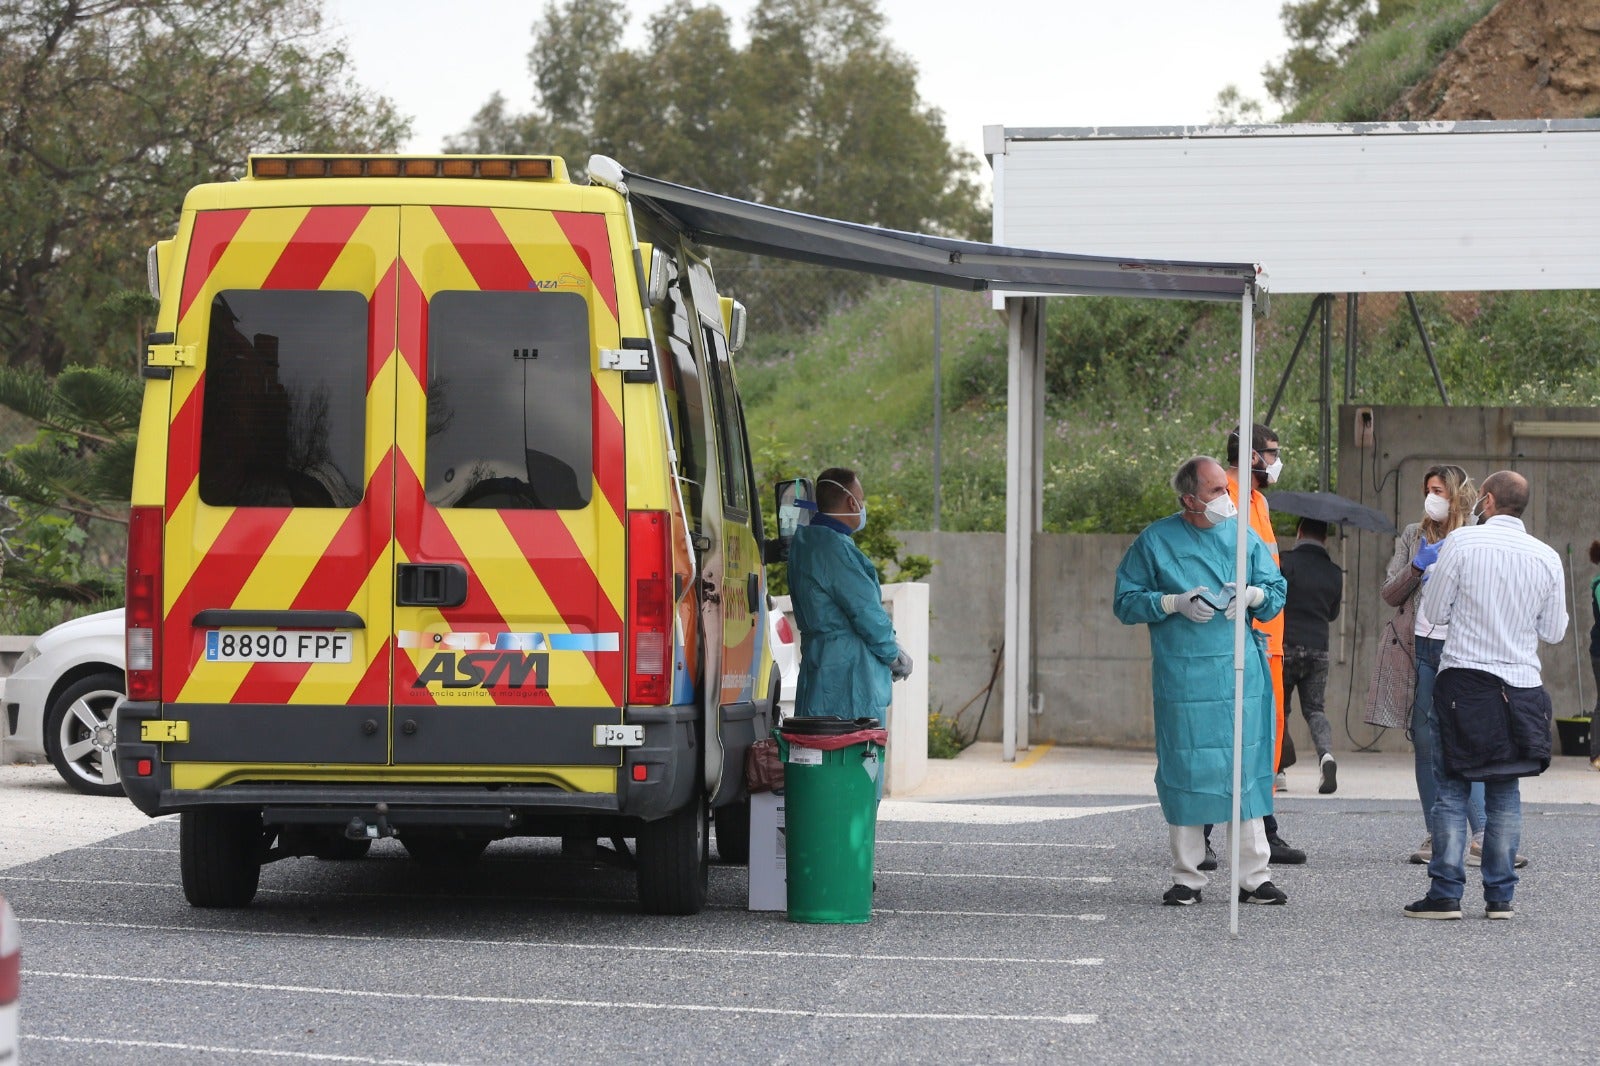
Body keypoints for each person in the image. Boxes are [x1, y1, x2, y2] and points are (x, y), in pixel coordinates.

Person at [1114, 455, 1289, 907]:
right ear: (1189, 498)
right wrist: (1171, 602)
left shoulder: (1242, 536)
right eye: (1215, 492)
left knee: (1245, 768)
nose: (1226, 499)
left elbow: (1275, 590)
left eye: (1226, 490)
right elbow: (1126, 601)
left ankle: (1255, 876)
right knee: (1187, 770)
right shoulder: (1156, 541)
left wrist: (1251, 595)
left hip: (1239, 673)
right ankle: (1187, 875)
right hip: (1185, 674)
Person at [1405, 471, 1566, 920]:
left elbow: (1434, 612)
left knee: (1452, 790)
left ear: (1489, 501)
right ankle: (1500, 898)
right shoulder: (1547, 557)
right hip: (1521, 686)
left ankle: (1446, 894)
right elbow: (1553, 631)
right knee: (1505, 791)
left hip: (1465, 682)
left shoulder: (1461, 545)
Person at [1367, 465, 1495, 866]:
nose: (1431, 496)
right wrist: (1417, 566)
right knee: (1424, 740)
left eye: (1438, 489)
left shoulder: (1479, 536)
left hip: (1464, 650)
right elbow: (1390, 592)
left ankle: (1483, 836)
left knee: (1463, 740)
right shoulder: (1413, 534)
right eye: (1428, 489)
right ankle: (1437, 834)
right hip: (1419, 647)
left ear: (1457, 494)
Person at [1218, 423, 1305, 866]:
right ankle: (1206, 833)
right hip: (1243, 635)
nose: (1276, 460)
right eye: (1272, 452)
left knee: (1263, 739)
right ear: (1252, 456)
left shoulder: (1259, 500)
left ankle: (1261, 830)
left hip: (1268, 639)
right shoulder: (1227, 497)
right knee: (1228, 734)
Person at [787, 467, 911, 724]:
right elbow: (866, 613)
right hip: (849, 677)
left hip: (819, 669)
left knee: (818, 757)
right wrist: (893, 654)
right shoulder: (835, 549)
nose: (862, 507)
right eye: (861, 499)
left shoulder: (806, 544)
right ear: (851, 501)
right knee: (853, 758)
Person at [1279, 518, 1343, 793]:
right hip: (1318, 648)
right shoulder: (1334, 572)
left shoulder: (1285, 562)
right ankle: (1326, 756)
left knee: (1279, 708)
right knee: (1315, 709)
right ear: (1325, 539)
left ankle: (1278, 771)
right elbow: (1332, 613)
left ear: (1299, 531)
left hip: (1285, 646)